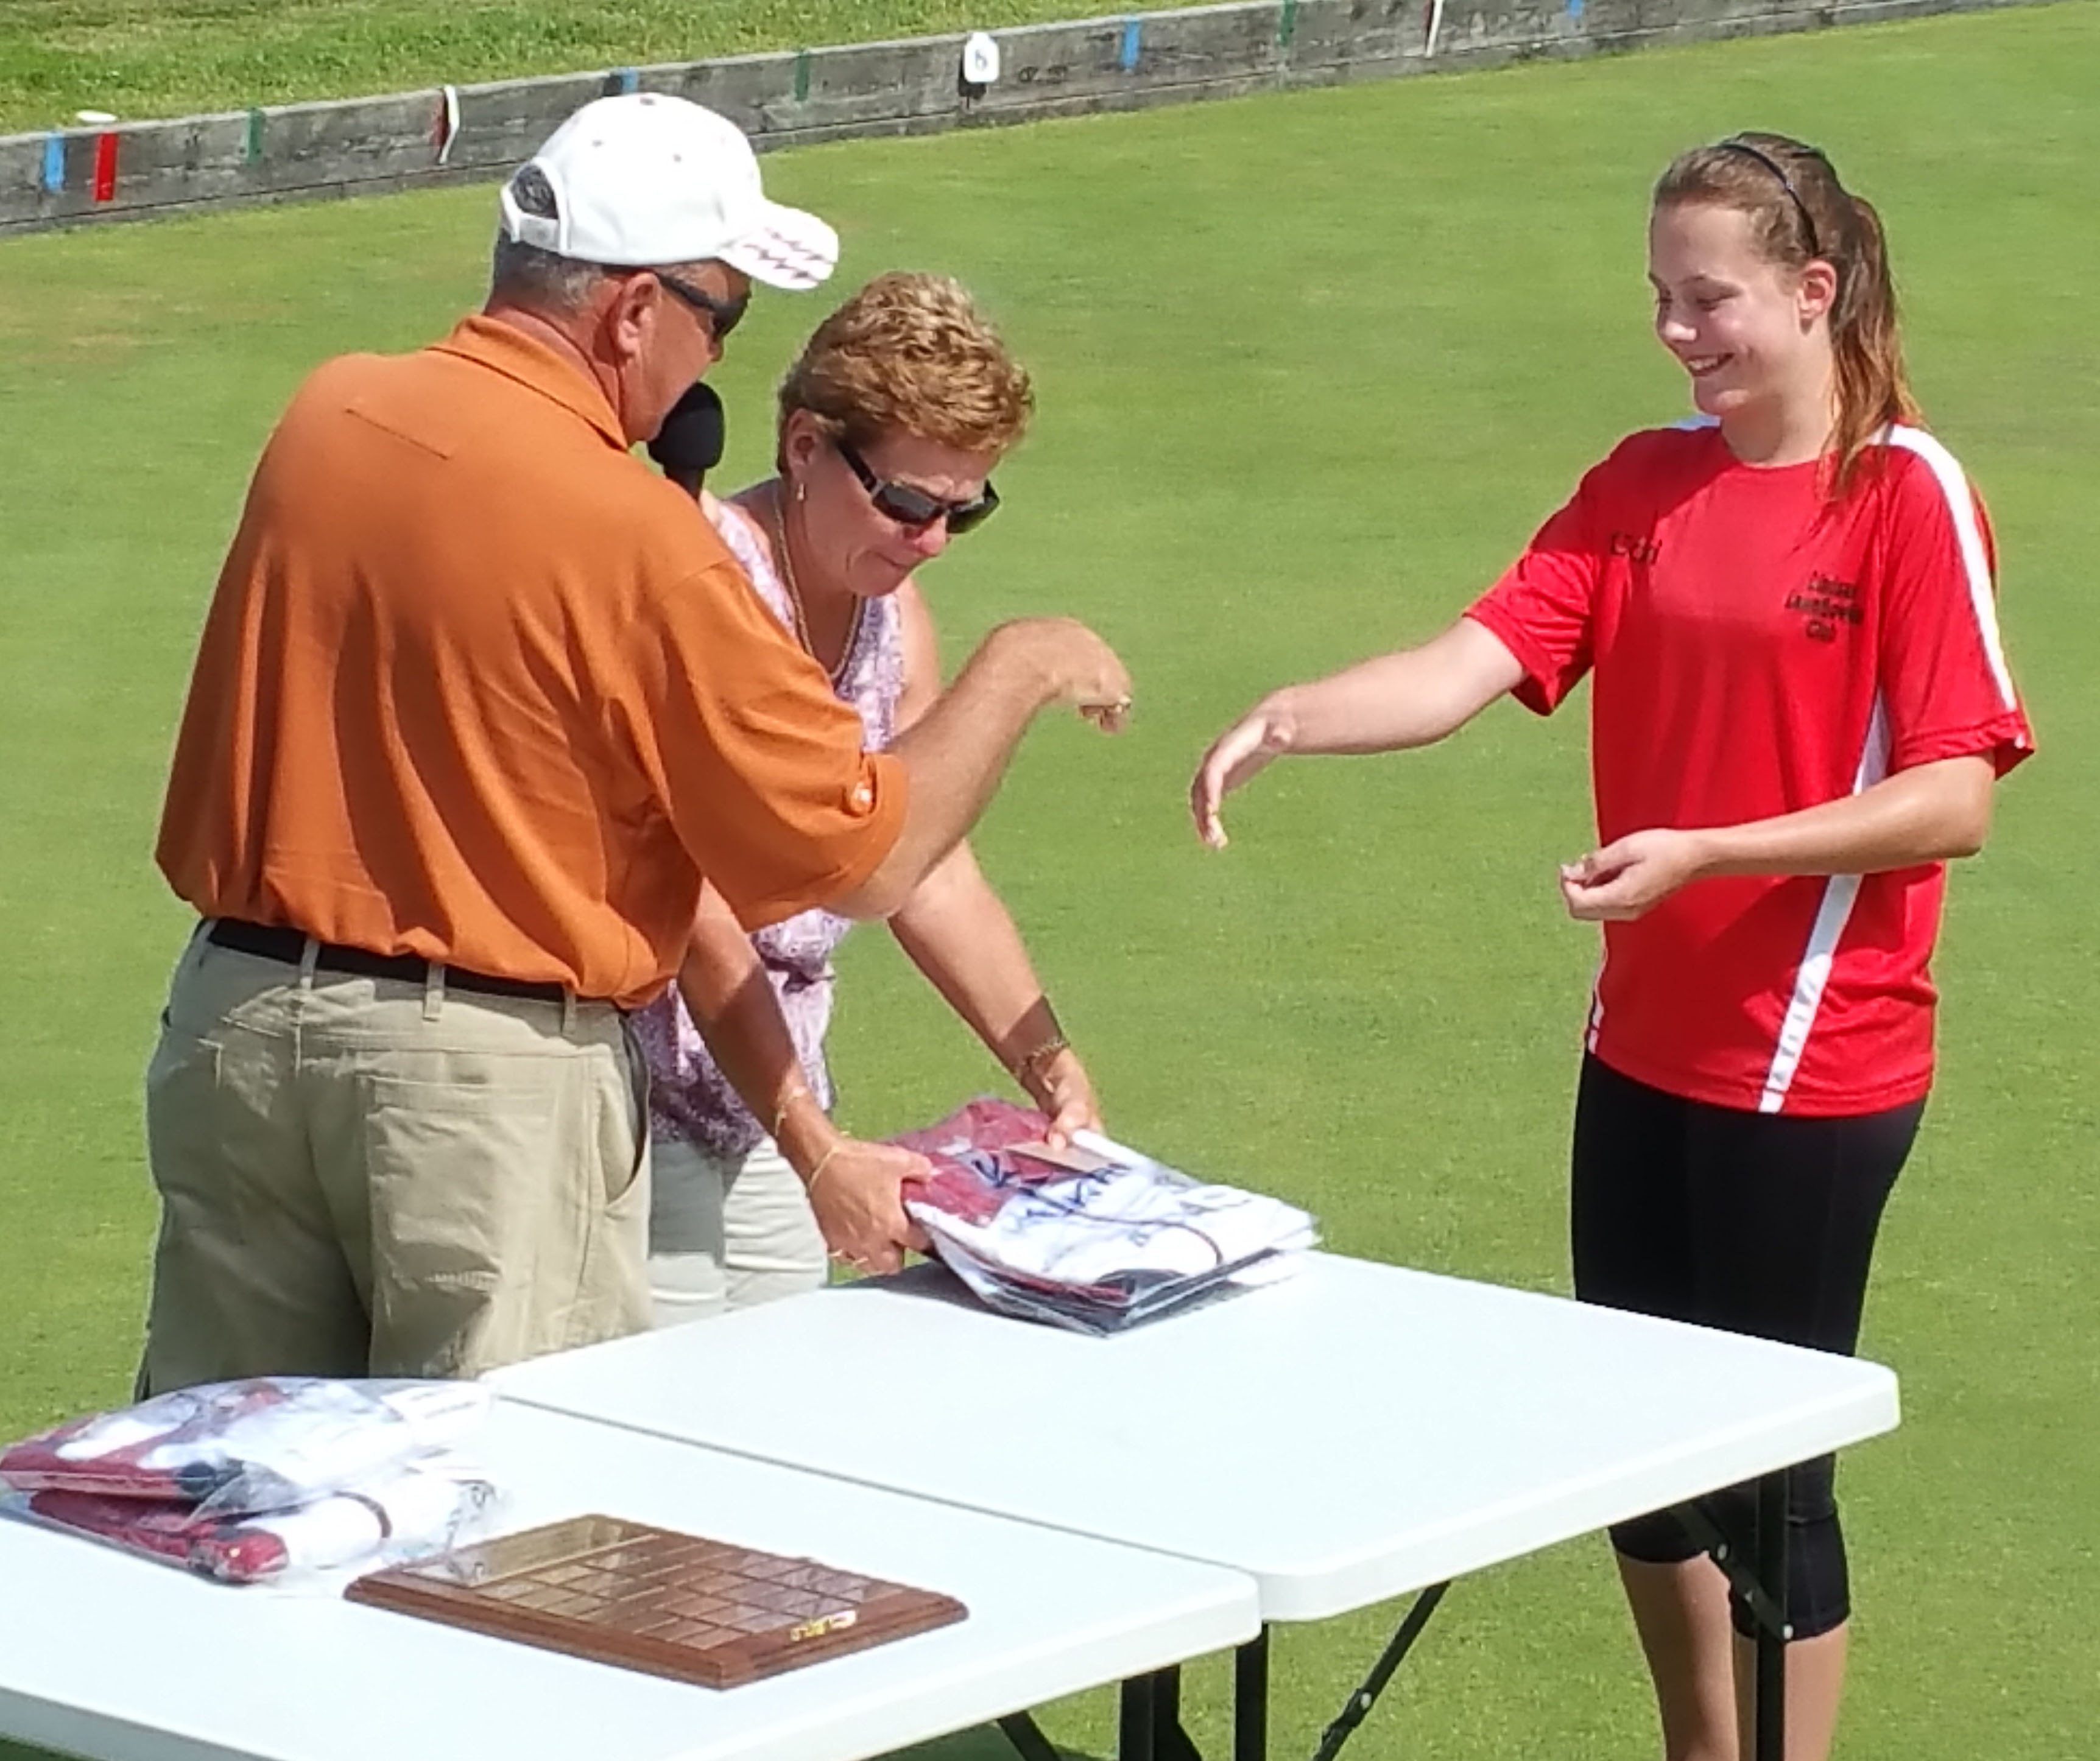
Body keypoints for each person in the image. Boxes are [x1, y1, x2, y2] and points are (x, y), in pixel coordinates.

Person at [1189, 132, 2031, 1761]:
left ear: (1813, 287)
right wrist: (1291, 717)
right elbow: (1473, 656)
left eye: (1707, 297)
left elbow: (1952, 796)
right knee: (1639, 1464)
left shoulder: (1906, 496)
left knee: (1770, 1475)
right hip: (1639, 1046)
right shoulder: (1644, 482)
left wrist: (1716, 846)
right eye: (1660, 297)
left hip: (1817, 1060)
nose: (1677, 331)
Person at [141, 93, 1132, 1393]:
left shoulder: (330, 414)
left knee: (227, 1498)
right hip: (475, 1078)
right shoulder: (638, 535)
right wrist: (1021, 664)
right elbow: (857, 864)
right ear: (628, 312)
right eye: (716, 317)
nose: (712, 359)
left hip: (237, 1029)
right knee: (504, 1538)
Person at [633, 272, 1105, 1323]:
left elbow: (927, 865)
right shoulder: (703, 577)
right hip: (633, 1109)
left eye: (961, 512)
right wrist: (818, 1147)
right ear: (805, 446)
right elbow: (692, 907)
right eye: (905, 501)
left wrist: (1051, 1066)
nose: (928, 539)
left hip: (769, 1103)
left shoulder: (897, 619)